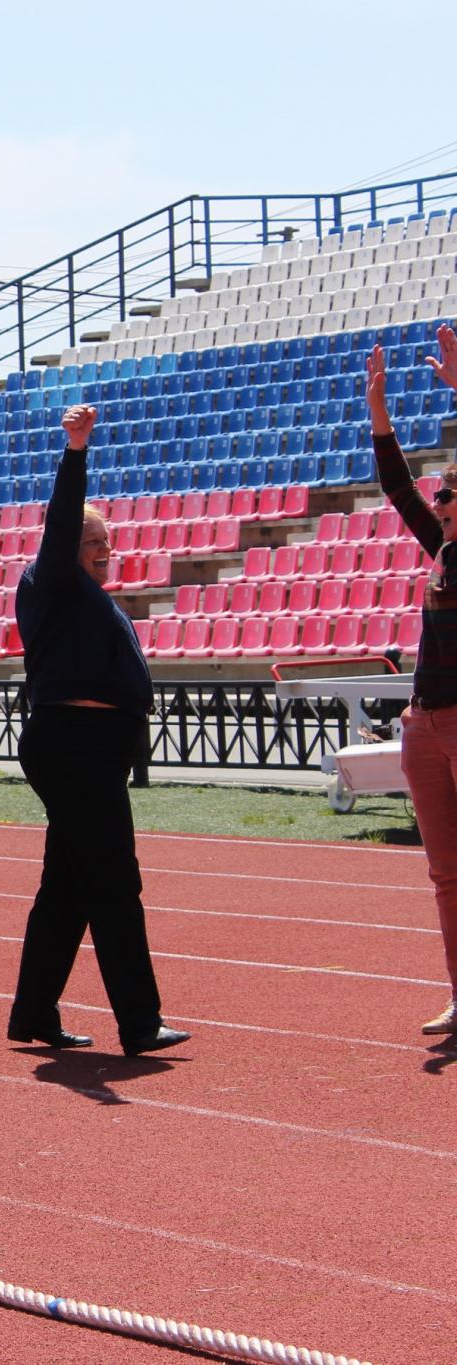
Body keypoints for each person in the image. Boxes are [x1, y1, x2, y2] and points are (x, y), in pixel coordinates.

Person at [8, 404, 188, 1057]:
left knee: (69, 885)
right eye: (92, 542)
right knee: (115, 882)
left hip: (88, 750)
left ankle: (33, 1012)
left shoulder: (86, 595)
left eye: (107, 542)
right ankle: (139, 1021)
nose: (104, 551)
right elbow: (62, 522)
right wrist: (76, 453)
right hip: (75, 746)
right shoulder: (51, 578)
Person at [368, 331, 457, 1035]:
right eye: (443, 496)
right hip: (424, 722)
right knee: (446, 874)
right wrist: (380, 416)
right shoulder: (442, 550)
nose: (441, 500)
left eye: (451, 494)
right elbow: (398, 488)